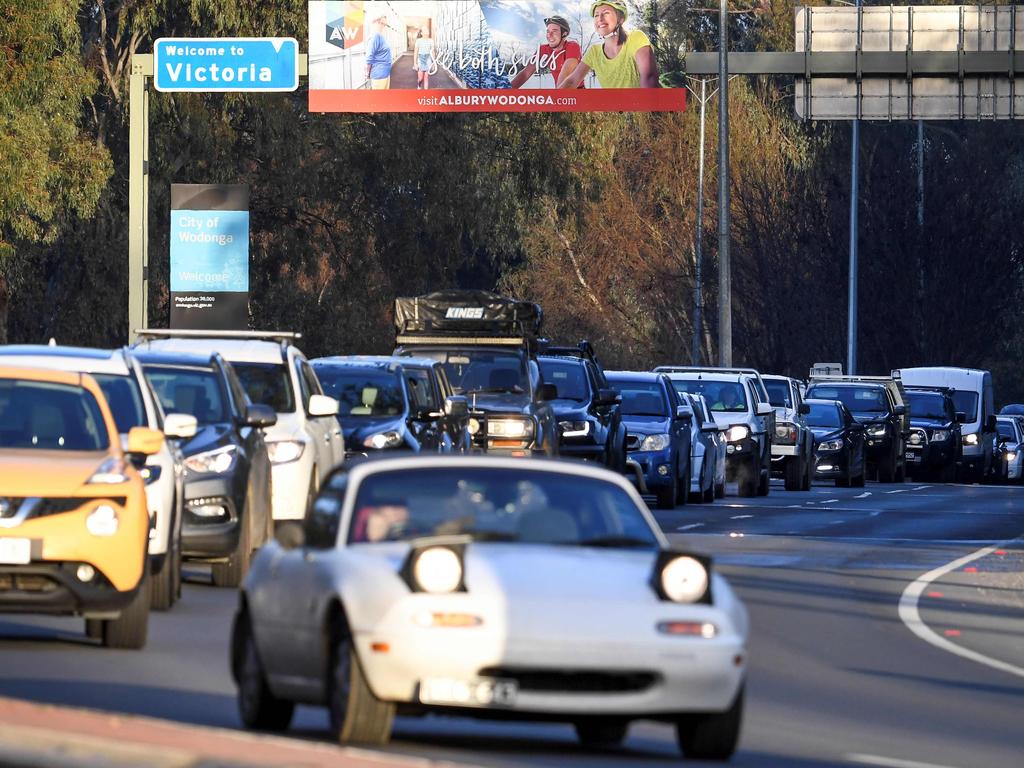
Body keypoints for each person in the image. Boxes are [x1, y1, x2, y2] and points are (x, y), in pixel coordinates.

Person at [558, 1, 658, 89]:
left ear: (620, 19)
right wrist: (553, 102)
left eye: (606, 13)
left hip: (646, 106)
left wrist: (646, 107)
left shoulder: (636, 38)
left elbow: (649, 76)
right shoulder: (594, 52)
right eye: (596, 15)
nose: (600, 19)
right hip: (616, 110)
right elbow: (572, 81)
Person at [509, 15, 584, 89]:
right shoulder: (543, 50)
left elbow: (566, 72)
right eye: (548, 31)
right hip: (560, 92)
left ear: (564, 34)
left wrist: (559, 95)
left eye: (554, 31)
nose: (549, 35)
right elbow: (526, 73)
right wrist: (506, 92)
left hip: (577, 93)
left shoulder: (572, 46)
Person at [365, 14, 393, 90]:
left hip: (385, 73)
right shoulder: (375, 36)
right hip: (379, 74)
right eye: (382, 24)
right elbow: (369, 57)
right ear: (377, 21)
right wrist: (367, 74)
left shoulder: (380, 36)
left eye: (384, 25)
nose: (384, 26)